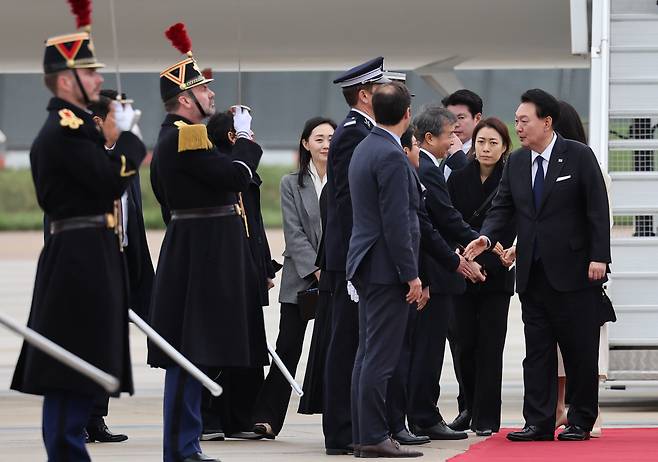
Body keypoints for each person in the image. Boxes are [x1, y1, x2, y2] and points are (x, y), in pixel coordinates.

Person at [10, 15, 146, 461]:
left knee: (78, 368)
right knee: (70, 368)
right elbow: (108, 181)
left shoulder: (78, 128)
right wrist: (126, 140)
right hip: (78, 260)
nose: (100, 78)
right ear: (67, 80)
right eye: (90, 72)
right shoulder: (65, 133)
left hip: (88, 255)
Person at [148, 23, 266, 462]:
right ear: (185, 99)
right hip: (201, 256)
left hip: (195, 249)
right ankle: (182, 449)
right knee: (190, 354)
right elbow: (235, 177)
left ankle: (185, 445)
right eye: (203, 90)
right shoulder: (185, 135)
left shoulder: (182, 137)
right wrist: (247, 143)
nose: (212, 97)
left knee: (194, 355)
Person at [464, 89, 611, 442]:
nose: (518, 127)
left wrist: (599, 257)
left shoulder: (577, 156)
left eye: (524, 121)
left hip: (576, 271)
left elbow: (597, 209)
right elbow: (502, 208)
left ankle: (580, 420)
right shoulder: (516, 162)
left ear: (547, 122)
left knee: (579, 350)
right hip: (532, 274)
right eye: (516, 121)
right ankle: (539, 421)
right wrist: (486, 238)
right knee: (538, 351)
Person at [347, 81, 423, 458]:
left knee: (367, 353)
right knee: (379, 356)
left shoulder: (366, 147)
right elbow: (397, 222)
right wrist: (410, 274)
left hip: (368, 263)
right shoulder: (391, 155)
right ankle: (375, 435)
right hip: (385, 267)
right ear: (407, 114)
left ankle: (365, 435)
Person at [76, 89, 154, 444]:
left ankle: (96, 417)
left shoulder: (125, 165)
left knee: (110, 344)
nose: (121, 126)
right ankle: (78, 416)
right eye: (115, 118)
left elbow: (133, 217)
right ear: (97, 121)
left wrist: (138, 270)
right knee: (84, 343)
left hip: (120, 261)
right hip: (90, 264)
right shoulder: (82, 160)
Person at [250, 117, 336, 438]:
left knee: (335, 349)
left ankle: (339, 416)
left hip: (338, 276)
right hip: (302, 277)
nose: (326, 144)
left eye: (331, 138)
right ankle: (266, 418)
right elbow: (294, 233)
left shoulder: (346, 180)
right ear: (305, 144)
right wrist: (317, 269)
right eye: (319, 138)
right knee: (288, 346)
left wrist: (332, 269)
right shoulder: (291, 183)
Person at [322, 56, 391, 455]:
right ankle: (341, 430)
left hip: (354, 252)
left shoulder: (363, 130)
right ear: (365, 95)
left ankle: (350, 426)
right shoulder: (352, 133)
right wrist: (356, 260)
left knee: (354, 341)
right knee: (346, 342)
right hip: (352, 254)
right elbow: (348, 202)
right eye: (380, 89)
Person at [408, 105, 483, 441]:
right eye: (449, 134)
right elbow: (442, 220)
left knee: (426, 349)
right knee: (428, 349)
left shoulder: (427, 166)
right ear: (428, 137)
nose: (454, 139)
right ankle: (424, 416)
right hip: (434, 276)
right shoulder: (426, 169)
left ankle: (422, 413)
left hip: (434, 272)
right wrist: (483, 243)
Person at [199, 109, 273, 441]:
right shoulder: (218, 171)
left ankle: (242, 417)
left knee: (249, 345)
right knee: (218, 345)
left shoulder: (246, 175)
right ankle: (210, 417)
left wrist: (264, 265)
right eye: (245, 132)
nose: (251, 136)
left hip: (247, 267)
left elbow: (254, 225)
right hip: (220, 271)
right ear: (232, 137)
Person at [446, 117, 516, 436]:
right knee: (463, 343)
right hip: (462, 268)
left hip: (497, 272)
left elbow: (514, 221)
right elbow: (447, 222)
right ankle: (467, 408)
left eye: (493, 143)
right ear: (473, 145)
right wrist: (463, 258)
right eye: (481, 142)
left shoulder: (512, 178)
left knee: (490, 346)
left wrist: (496, 253)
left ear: (504, 148)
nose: (486, 149)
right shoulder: (458, 178)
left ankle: (487, 416)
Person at [552, 100, 609, 437]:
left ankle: (589, 411)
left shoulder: (588, 165)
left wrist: (596, 258)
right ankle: (559, 408)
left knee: (586, 346)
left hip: (588, 270)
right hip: (557, 272)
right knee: (557, 350)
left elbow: (602, 218)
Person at [440, 89, 483, 179]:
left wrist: (457, 156)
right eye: (449, 117)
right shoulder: (447, 149)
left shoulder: (484, 152)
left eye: (461, 117)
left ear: (477, 118)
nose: (455, 124)